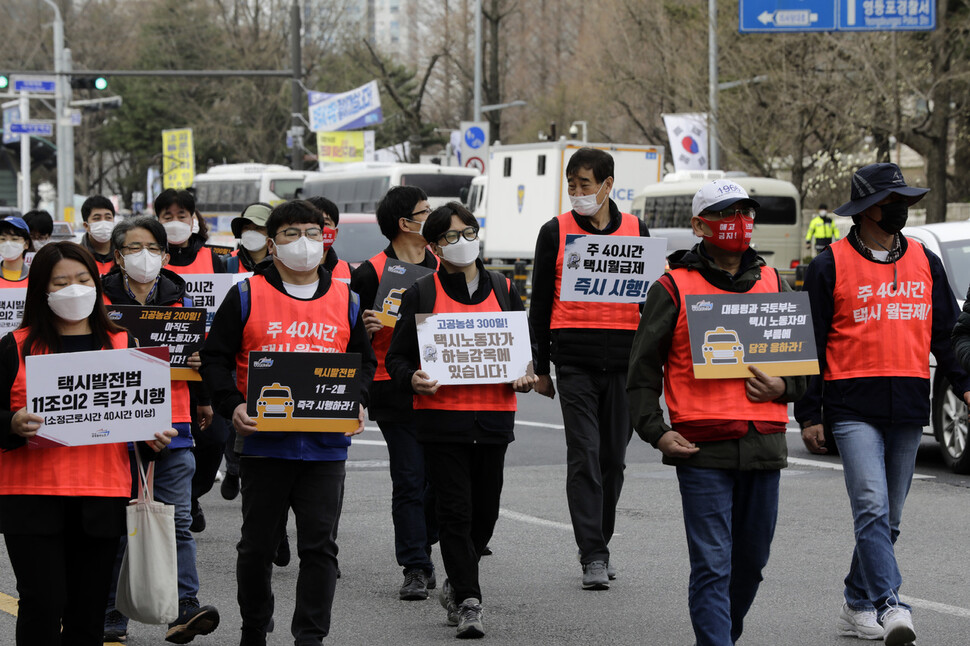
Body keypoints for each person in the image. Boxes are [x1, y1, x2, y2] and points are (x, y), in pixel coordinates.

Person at [794, 163, 970, 646]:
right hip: (852, 408)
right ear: (866, 209)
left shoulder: (924, 260)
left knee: (889, 518)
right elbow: (809, 342)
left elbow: (945, 334)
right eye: (892, 201)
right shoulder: (829, 265)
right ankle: (891, 603)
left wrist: (966, 384)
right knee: (870, 507)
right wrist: (810, 414)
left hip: (909, 405)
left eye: (905, 201)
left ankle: (855, 601)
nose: (902, 209)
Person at [627, 179, 807, 646]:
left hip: (764, 445)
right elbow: (642, 372)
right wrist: (656, 432)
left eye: (746, 213)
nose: (740, 223)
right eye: (727, 214)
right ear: (699, 225)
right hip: (700, 449)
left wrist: (785, 385)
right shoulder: (671, 287)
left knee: (751, 565)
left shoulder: (773, 282)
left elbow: (806, 369)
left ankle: (721, 636)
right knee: (712, 564)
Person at [199, 199, 376, 646]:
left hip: (325, 448)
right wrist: (231, 405)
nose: (304, 243)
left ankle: (311, 637)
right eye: (291, 234)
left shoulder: (347, 299)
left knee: (320, 548)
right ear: (272, 245)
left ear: (325, 239)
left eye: (313, 233)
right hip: (263, 445)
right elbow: (216, 359)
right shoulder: (245, 295)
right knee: (257, 547)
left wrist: (358, 400)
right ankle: (255, 628)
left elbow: (364, 364)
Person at [0, 241, 174, 646]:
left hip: (101, 497)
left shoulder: (124, 345)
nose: (73, 289)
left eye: (82, 280)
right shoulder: (15, 346)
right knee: (42, 603)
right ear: (41, 290)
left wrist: (154, 438)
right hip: (32, 498)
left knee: (87, 610)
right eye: (60, 282)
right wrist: (12, 422)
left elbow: (141, 425)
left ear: (97, 285)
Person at [386, 203, 537, 639]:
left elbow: (523, 354)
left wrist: (527, 375)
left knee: (485, 515)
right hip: (441, 421)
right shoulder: (423, 292)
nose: (463, 241)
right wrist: (411, 378)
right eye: (450, 237)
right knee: (456, 511)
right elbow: (397, 357)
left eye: (468, 231)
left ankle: (457, 580)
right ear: (433, 246)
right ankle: (470, 600)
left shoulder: (505, 288)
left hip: (493, 420)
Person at [528, 147, 649, 589]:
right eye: (572, 184)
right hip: (574, 364)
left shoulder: (637, 230)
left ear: (607, 185)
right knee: (584, 456)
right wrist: (541, 367)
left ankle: (601, 539)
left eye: (586, 184)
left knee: (613, 461)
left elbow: (649, 304)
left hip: (624, 365)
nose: (578, 192)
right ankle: (593, 554)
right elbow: (539, 304)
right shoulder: (554, 231)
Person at [101, 216, 220, 644]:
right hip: (114, 429)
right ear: (117, 256)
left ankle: (184, 607)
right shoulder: (99, 302)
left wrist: (203, 395)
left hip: (174, 424)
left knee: (178, 519)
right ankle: (112, 614)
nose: (144, 256)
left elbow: (197, 354)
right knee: (120, 522)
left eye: (151, 247)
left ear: (165, 254)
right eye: (133, 248)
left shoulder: (180, 300)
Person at [350, 185, 440, 600]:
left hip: (441, 387)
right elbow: (350, 338)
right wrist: (364, 329)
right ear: (405, 223)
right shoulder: (368, 273)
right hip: (392, 387)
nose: (432, 217)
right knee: (409, 477)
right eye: (426, 212)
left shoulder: (444, 268)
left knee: (438, 480)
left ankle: (427, 537)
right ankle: (416, 566)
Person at [153, 188, 224, 532]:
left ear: (195, 219)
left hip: (210, 362)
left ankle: (193, 493)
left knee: (214, 440)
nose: (176, 222)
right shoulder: (152, 262)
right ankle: (183, 499)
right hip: (173, 367)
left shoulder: (217, 260)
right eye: (168, 216)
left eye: (183, 215)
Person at [306, 195, 352, 282]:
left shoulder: (349, 273)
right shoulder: (283, 269)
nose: (319, 229)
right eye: (312, 222)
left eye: (326, 223)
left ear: (335, 233)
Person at [226, 203, 272, 274]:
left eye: (258, 228)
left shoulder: (282, 265)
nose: (251, 233)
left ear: (271, 233)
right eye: (246, 228)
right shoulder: (227, 263)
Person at [79, 195, 118, 275]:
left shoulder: (123, 255)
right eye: (97, 218)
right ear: (86, 226)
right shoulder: (78, 256)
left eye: (108, 217)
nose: (103, 222)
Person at [0, 216, 33, 285]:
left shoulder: (35, 276)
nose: (8, 244)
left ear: (26, 244)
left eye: (14, 239)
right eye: (3, 239)